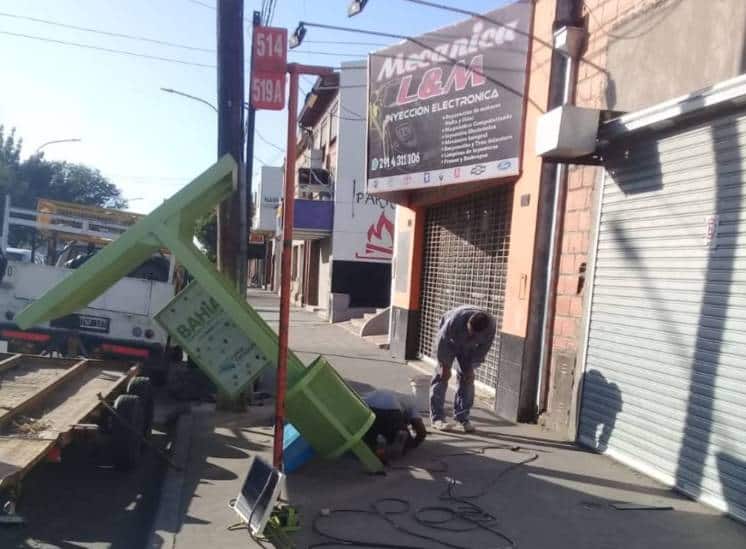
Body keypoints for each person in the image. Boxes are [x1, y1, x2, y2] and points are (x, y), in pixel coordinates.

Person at [430, 306, 496, 433]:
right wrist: (444, 366)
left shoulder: (491, 326)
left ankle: (462, 418)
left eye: (474, 334)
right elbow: (442, 341)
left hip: (468, 348)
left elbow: (483, 349)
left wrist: (471, 368)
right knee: (441, 377)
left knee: (468, 379)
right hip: (449, 342)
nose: (471, 334)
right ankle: (437, 418)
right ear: (468, 322)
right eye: (469, 330)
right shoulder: (456, 318)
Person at [362, 389, 427, 463]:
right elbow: (420, 428)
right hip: (393, 411)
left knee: (372, 432)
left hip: (369, 409)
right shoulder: (413, 404)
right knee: (396, 432)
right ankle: (396, 439)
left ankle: (376, 444)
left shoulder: (400, 396)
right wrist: (413, 444)